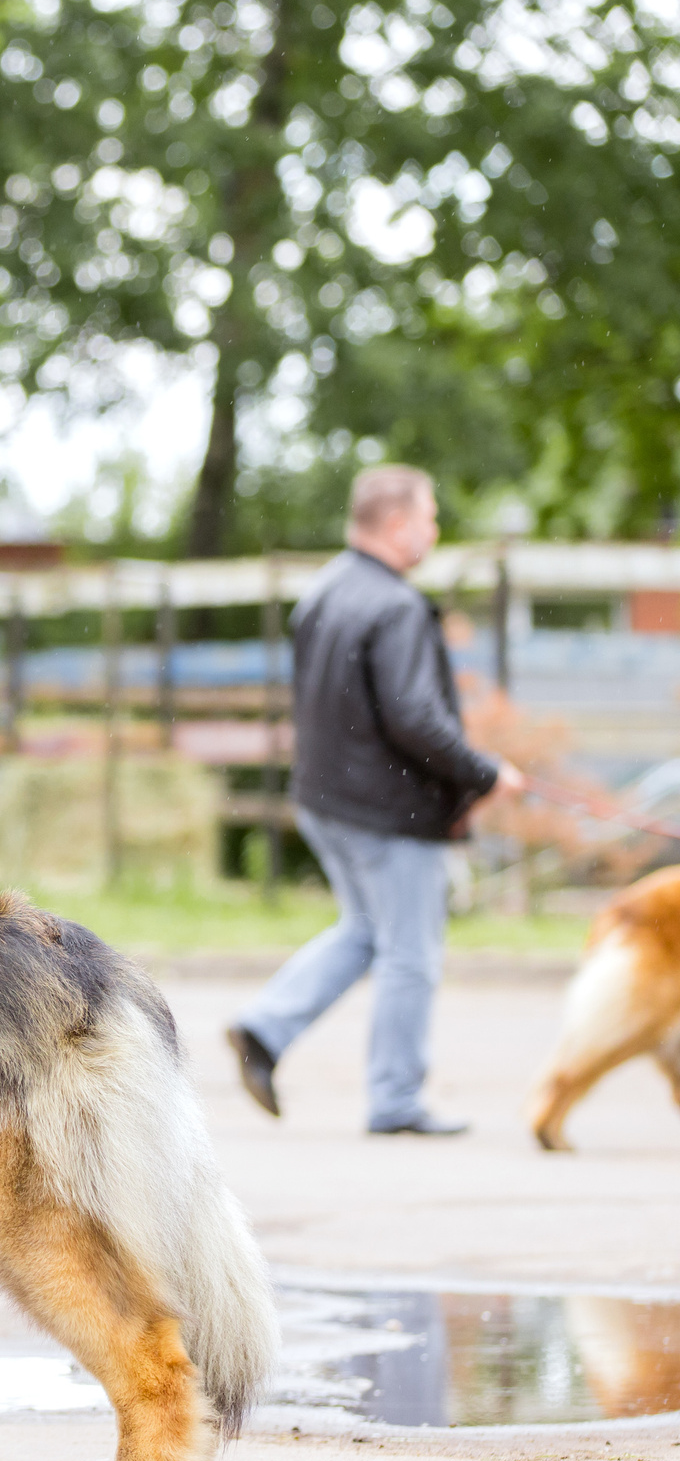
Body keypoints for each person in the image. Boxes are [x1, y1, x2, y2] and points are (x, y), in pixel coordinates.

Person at [227, 464, 524, 1136]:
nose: (435, 528)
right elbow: (415, 718)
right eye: (429, 515)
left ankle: (265, 1029)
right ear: (395, 523)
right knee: (410, 953)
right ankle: (395, 1100)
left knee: (364, 931)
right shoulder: (396, 606)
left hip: (325, 799)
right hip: (391, 811)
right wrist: (484, 773)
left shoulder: (324, 592)